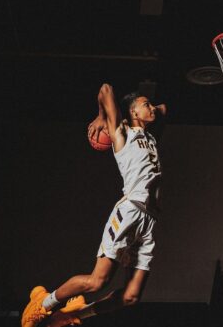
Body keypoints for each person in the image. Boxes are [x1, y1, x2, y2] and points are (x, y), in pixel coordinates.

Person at [21, 83, 166, 327]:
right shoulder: (121, 133)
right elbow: (106, 89)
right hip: (129, 211)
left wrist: (147, 107)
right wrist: (102, 117)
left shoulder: (151, 137)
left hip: (149, 221)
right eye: (145, 105)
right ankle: (43, 304)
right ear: (132, 113)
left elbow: (163, 108)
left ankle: (74, 314)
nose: (152, 107)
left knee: (131, 297)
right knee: (97, 282)